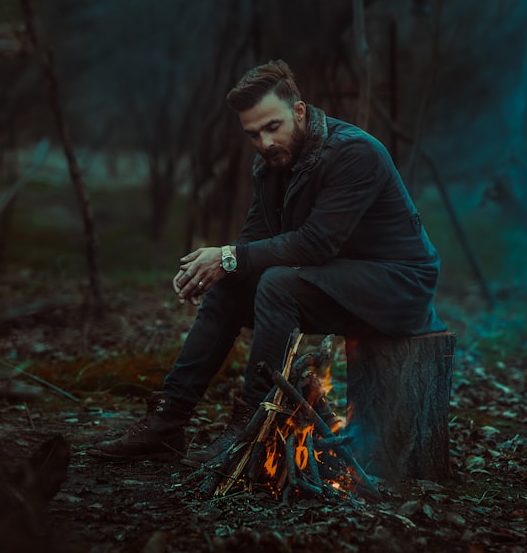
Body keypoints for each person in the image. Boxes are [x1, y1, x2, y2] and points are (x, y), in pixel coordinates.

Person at [92, 59, 445, 463]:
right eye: (253, 134)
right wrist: (217, 269)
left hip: (399, 287)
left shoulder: (355, 153)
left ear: (299, 111)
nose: (263, 142)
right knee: (232, 284)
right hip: (339, 284)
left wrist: (227, 256)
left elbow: (315, 245)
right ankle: (168, 419)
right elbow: (252, 244)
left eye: (272, 127)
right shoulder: (272, 165)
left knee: (277, 282)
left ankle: (251, 421)